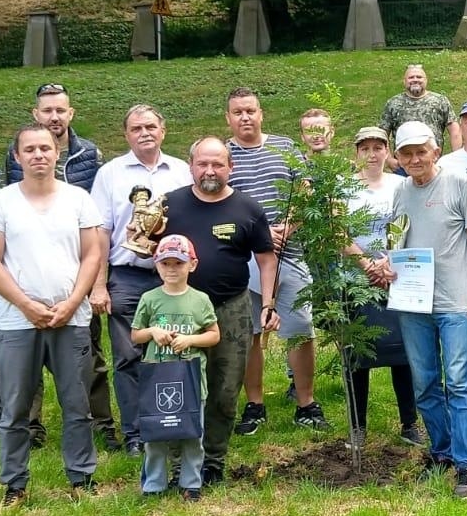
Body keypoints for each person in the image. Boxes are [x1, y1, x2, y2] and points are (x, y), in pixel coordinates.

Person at [0, 124, 104, 508]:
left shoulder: (78, 199)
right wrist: (27, 305)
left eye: (45, 148)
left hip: (72, 317)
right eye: (29, 149)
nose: (38, 155)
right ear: (17, 157)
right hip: (18, 321)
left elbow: (93, 255)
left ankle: (81, 479)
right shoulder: (0, 202)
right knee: (15, 407)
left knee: (76, 403)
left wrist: (71, 303)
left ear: (57, 153)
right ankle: (14, 484)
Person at [2, 83, 116, 451]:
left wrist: (96, 283)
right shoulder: (16, 154)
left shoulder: (90, 155)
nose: (54, 116)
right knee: (29, 359)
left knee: (90, 354)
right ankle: (32, 428)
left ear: (71, 114)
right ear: (35, 114)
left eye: (60, 110)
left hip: (79, 270)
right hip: (32, 268)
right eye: (46, 110)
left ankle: (100, 422)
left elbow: (99, 224)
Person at [160, 137, 279, 486]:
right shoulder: (169, 206)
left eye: (218, 164)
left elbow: (267, 258)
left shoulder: (248, 208)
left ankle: (212, 460)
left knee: (225, 388)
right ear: (191, 165)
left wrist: (268, 302)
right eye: (202, 164)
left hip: (232, 308)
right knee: (180, 387)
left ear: (231, 167)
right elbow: (147, 249)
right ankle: (180, 460)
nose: (210, 170)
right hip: (180, 310)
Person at [387, 121, 467, 498]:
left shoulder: (458, 185)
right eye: (407, 153)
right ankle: (442, 451)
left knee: (461, 382)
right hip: (413, 304)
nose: (415, 158)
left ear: (435, 151)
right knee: (425, 383)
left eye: (421, 151)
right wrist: (386, 267)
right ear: (397, 158)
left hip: (456, 304)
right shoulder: (400, 192)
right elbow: (397, 242)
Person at [223, 88, 330, 433]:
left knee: (299, 330)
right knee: (250, 333)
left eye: (250, 110)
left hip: (290, 253)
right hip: (244, 260)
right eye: (237, 112)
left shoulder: (285, 147)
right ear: (229, 118)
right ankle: (254, 405)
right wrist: (259, 236)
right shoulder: (223, 155)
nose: (245, 117)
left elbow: (306, 189)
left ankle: (306, 403)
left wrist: (288, 226)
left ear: (261, 113)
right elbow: (221, 203)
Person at [89, 104, 192, 456]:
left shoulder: (182, 171)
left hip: (174, 279)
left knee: (176, 353)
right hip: (128, 278)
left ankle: (176, 426)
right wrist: (99, 284)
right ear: (126, 135)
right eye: (136, 128)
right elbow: (100, 232)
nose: (144, 132)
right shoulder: (109, 174)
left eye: (150, 126)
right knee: (129, 357)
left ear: (163, 130)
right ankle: (136, 434)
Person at [342, 126, 424, 448]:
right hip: (354, 280)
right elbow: (338, 232)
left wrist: (388, 263)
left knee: (403, 353)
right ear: (356, 153)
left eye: (379, 147)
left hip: (396, 279)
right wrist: (366, 264)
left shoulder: (401, 185)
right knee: (356, 357)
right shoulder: (343, 187)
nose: (373, 154)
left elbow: (406, 225)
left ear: (388, 152)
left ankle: (409, 423)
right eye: (365, 148)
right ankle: (357, 427)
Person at [130, 234, 219, 502]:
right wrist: (153, 332)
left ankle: (191, 483)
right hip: (158, 377)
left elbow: (214, 335)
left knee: (192, 433)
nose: (171, 269)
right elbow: (135, 335)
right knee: (155, 433)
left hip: (190, 379)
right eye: (165, 263)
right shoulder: (149, 298)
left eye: (178, 263)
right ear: (156, 265)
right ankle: (154, 484)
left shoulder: (200, 300)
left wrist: (191, 339)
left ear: (192, 265)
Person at [379, 63, 461, 151]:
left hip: (434, 161)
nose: (415, 80)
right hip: (403, 162)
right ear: (404, 81)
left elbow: (454, 131)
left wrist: (456, 157)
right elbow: (382, 134)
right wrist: (390, 159)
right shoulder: (393, 103)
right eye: (411, 77)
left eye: (419, 77)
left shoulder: (440, 101)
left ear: (426, 80)